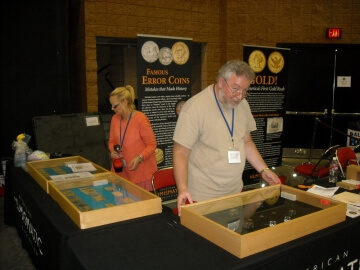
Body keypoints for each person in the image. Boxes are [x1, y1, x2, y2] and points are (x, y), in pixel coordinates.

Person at [172, 60, 281, 215]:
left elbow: (247, 141)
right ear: (221, 81)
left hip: (235, 191)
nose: (239, 96)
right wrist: (182, 189)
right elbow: (180, 152)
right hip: (203, 196)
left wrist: (263, 169)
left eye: (245, 91)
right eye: (235, 89)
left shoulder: (243, 105)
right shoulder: (195, 107)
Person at [108, 85, 158, 191]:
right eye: (111, 105)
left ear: (125, 102)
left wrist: (140, 158)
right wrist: (112, 150)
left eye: (115, 106)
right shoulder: (115, 119)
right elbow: (111, 141)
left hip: (141, 173)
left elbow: (152, 144)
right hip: (121, 170)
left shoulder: (140, 119)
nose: (112, 109)